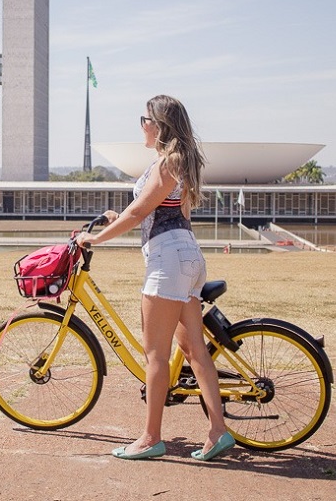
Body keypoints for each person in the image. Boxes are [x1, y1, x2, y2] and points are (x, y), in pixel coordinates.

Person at [75, 95, 234, 462]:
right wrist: (124, 219)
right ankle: (218, 432)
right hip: (188, 255)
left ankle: (150, 438)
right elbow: (158, 213)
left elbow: (140, 211)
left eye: (144, 119)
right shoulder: (179, 164)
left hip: (168, 261)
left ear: (159, 126)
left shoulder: (166, 164)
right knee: (195, 350)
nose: (141, 126)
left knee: (155, 355)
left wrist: (95, 238)